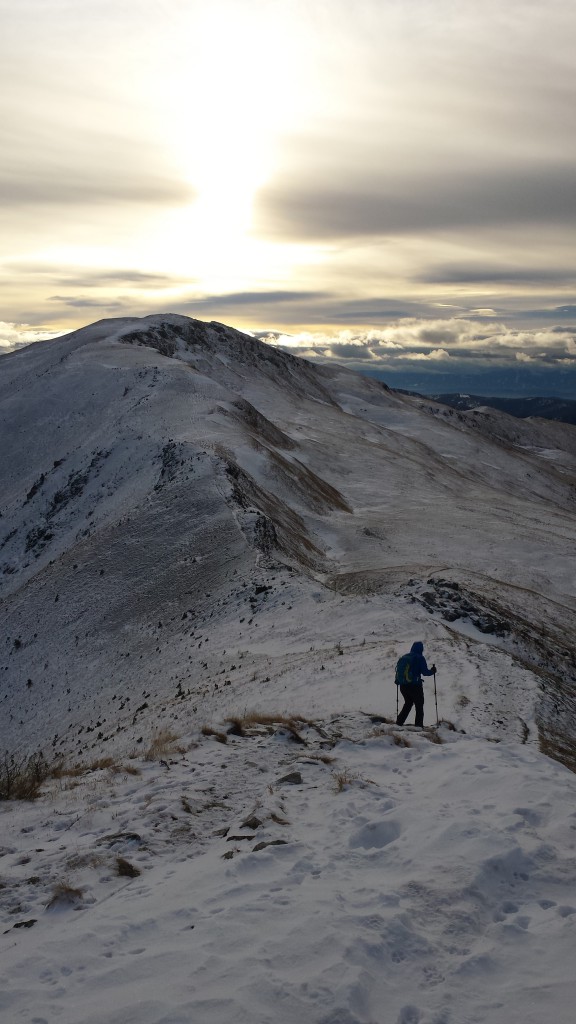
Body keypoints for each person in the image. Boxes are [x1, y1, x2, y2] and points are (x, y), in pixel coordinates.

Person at [396, 641, 436, 728]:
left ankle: (398, 723)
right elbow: (425, 672)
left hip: (403, 686)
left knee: (408, 703)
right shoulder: (420, 658)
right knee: (419, 705)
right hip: (415, 686)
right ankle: (418, 726)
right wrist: (433, 671)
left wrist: (398, 681)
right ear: (421, 649)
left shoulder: (405, 657)